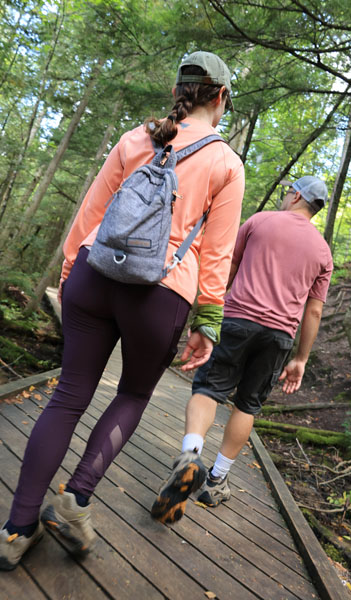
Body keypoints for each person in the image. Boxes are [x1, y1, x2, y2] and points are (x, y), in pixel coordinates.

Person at [0, 51, 244, 570]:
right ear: (220, 96)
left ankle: (15, 529)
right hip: (162, 291)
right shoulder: (226, 163)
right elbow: (218, 253)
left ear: (180, 89)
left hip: (94, 271)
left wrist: (69, 273)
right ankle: (76, 499)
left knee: (67, 396)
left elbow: (91, 210)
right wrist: (208, 321)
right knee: (133, 394)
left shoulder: (138, 138)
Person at [151, 176, 333, 521]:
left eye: (287, 192)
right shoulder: (323, 251)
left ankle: (190, 456)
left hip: (236, 321)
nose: (284, 196)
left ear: (296, 195)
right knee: (248, 404)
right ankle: (217, 479)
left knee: (209, 390)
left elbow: (226, 268)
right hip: (279, 336)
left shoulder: (260, 221)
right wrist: (301, 358)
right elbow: (314, 310)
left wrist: (208, 313)